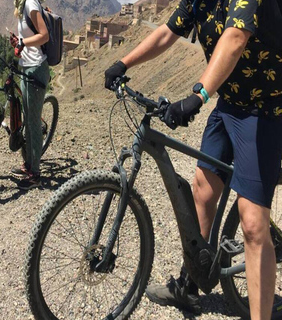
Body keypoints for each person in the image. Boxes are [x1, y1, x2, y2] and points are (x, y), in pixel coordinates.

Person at [104, 0, 282, 318]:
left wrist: (197, 96)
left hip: (264, 110)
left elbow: (236, 37)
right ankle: (190, 285)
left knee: (253, 225)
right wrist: (123, 63)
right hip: (229, 103)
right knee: (203, 190)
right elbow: (167, 32)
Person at [9, 0, 50, 190]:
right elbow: (29, 37)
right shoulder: (22, 5)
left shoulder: (30, 4)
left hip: (36, 69)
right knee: (28, 119)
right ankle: (28, 164)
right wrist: (19, 42)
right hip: (26, 67)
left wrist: (23, 42)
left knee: (33, 123)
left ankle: (35, 174)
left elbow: (44, 36)